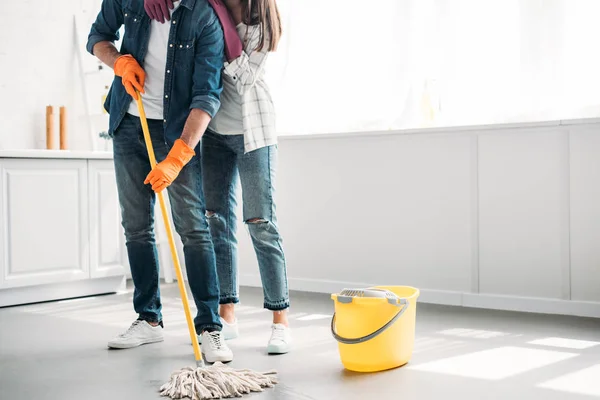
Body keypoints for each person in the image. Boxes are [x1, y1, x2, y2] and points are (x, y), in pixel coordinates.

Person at [87, 0, 234, 363]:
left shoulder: (204, 18)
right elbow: (97, 37)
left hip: (175, 131)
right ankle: (148, 319)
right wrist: (118, 61)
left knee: (194, 229)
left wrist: (179, 155)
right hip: (127, 123)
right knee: (136, 227)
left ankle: (209, 328)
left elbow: (207, 96)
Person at [145, 0, 291, 354]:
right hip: (212, 134)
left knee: (261, 223)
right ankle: (228, 316)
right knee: (217, 223)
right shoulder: (208, 9)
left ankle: (280, 321)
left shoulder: (263, 21)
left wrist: (221, 28)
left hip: (253, 132)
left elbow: (245, 75)